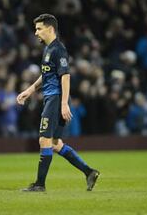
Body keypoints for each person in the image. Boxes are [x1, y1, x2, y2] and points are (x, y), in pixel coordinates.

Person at [17, 14, 100, 192]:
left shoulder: (58, 50)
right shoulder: (48, 50)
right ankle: (89, 172)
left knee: (44, 140)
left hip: (55, 99)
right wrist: (30, 90)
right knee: (54, 143)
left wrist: (63, 104)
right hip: (52, 98)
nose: (36, 32)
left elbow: (66, 77)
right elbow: (46, 75)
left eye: (39, 29)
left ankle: (40, 184)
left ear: (50, 29)